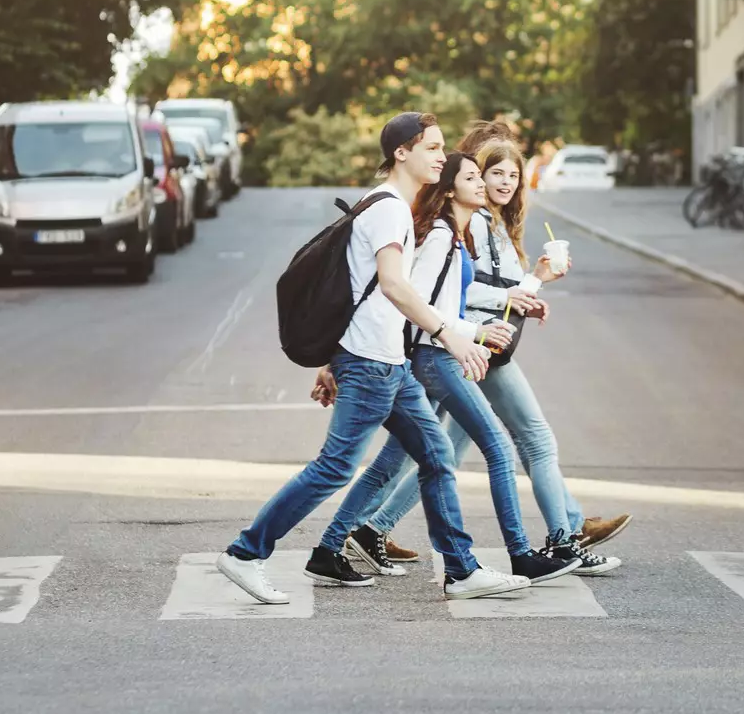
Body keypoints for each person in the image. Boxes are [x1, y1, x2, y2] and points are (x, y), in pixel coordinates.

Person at [214, 112, 530, 605]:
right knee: (335, 467)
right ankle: (245, 553)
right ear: (402, 152)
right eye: (433, 147)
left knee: (436, 455)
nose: (442, 157)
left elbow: (360, 292)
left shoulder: (388, 206)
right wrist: (452, 334)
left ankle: (462, 570)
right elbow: (393, 284)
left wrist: (330, 360)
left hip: (390, 363)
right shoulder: (388, 210)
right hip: (371, 364)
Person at [337, 124, 631, 577]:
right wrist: (492, 315)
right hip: (459, 348)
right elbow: (440, 291)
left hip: (467, 347)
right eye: (488, 174)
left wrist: (531, 285)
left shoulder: (486, 222)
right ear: (459, 183)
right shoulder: (457, 226)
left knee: (432, 451)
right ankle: (554, 541)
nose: (502, 182)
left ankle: (364, 532)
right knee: (516, 440)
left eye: (512, 174)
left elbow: (485, 288)